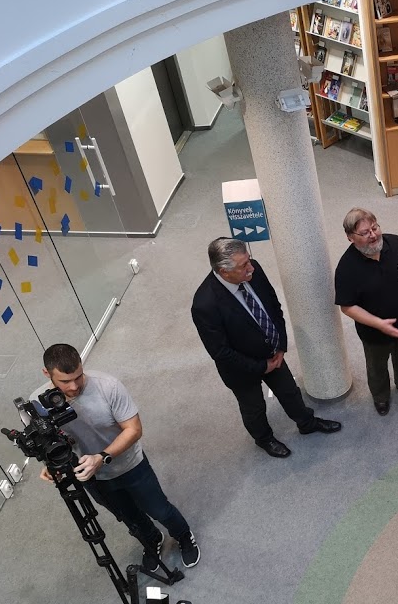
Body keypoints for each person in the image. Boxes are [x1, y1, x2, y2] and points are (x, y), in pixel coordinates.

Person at [41, 344, 200, 571]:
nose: (74, 386)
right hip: (92, 477)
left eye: (78, 376)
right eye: (65, 381)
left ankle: (183, 534)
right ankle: (152, 539)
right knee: (129, 517)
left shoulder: (108, 386)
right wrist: (50, 464)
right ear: (47, 374)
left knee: (159, 509)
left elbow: (134, 429)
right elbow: (47, 442)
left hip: (130, 465)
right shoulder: (37, 403)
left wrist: (101, 457)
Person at [191, 239, 342, 458]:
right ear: (224, 271)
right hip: (241, 370)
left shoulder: (254, 270)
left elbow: (273, 306)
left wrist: (280, 345)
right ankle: (264, 439)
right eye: (243, 265)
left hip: (272, 353)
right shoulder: (204, 304)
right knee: (254, 408)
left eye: (249, 260)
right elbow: (220, 352)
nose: (251, 268)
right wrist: (262, 367)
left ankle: (307, 423)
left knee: (290, 392)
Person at [334, 208, 398, 416]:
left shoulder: (396, 243)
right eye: (365, 233)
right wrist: (379, 323)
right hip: (374, 333)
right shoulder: (346, 268)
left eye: (375, 227)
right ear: (350, 237)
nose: (373, 235)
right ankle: (381, 397)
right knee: (376, 367)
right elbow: (347, 306)